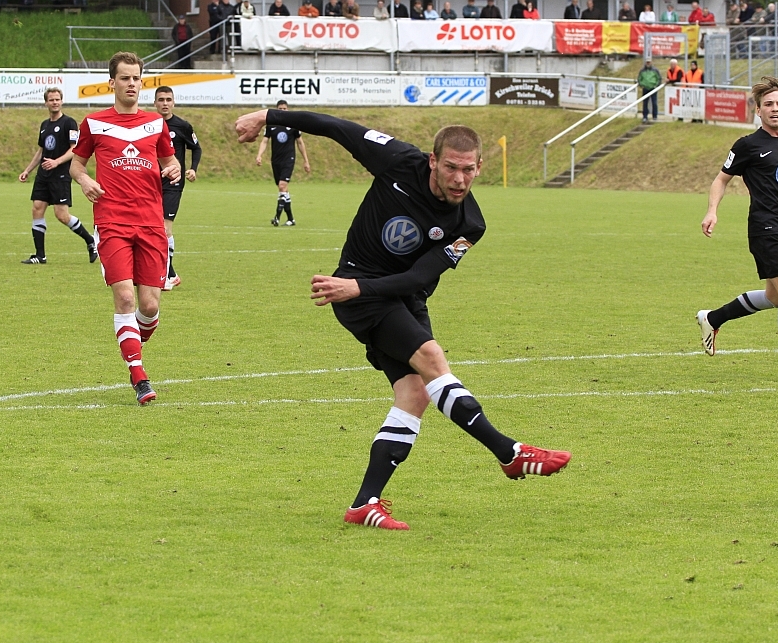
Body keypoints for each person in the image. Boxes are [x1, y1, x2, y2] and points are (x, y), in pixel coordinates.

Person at [233, 110, 573, 531]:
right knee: (432, 359)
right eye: (450, 167)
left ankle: (364, 504)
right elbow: (338, 128)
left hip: (394, 296)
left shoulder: (470, 224)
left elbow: (417, 278)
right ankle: (509, 453)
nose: (459, 179)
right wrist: (267, 116)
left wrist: (359, 288)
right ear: (432, 161)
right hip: (358, 291)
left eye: (468, 170)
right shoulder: (397, 159)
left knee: (415, 394)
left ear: (479, 167)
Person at [698, 76, 778, 383]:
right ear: (758, 110)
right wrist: (712, 210)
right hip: (765, 227)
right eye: (768, 104)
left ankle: (712, 318)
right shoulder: (748, 145)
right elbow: (721, 179)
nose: (775, 109)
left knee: (775, 296)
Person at [69, 52, 181, 405]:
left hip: (151, 222)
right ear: (112, 83)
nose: (132, 84)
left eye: (136, 78)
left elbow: (170, 160)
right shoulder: (93, 123)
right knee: (126, 298)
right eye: (125, 78)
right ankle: (139, 376)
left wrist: (174, 168)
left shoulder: (156, 123)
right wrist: (85, 180)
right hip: (112, 221)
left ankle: (132, 339)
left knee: (148, 306)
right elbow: (76, 164)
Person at [18, 87, 96, 266]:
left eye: (57, 99)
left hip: (60, 174)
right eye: (51, 100)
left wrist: (57, 162)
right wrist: (27, 170)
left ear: (62, 101)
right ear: (46, 103)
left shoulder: (69, 123)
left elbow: (74, 149)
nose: (54, 102)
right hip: (43, 175)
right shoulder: (45, 125)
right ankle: (40, 255)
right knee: (37, 208)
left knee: (61, 215)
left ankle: (90, 241)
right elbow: (41, 151)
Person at [153, 86, 201, 291]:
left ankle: (165, 276)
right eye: (161, 99)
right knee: (153, 229)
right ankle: (171, 274)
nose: (165, 103)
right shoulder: (149, 125)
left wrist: (192, 169)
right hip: (151, 184)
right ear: (155, 103)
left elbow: (196, 148)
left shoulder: (182, 126)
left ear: (173, 102)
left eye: (168, 99)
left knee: (165, 229)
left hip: (173, 184)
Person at [256, 100, 311, 227]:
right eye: (280, 109)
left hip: (288, 159)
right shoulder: (271, 125)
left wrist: (306, 161)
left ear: (288, 109)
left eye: (284, 109)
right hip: (276, 160)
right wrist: (259, 155)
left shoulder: (293, 124)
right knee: (283, 190)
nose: (282, 111)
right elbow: (264, 141)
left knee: (282, 186)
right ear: (277, 109)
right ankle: (291, 219)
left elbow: (300, 142)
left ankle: (277, 217)